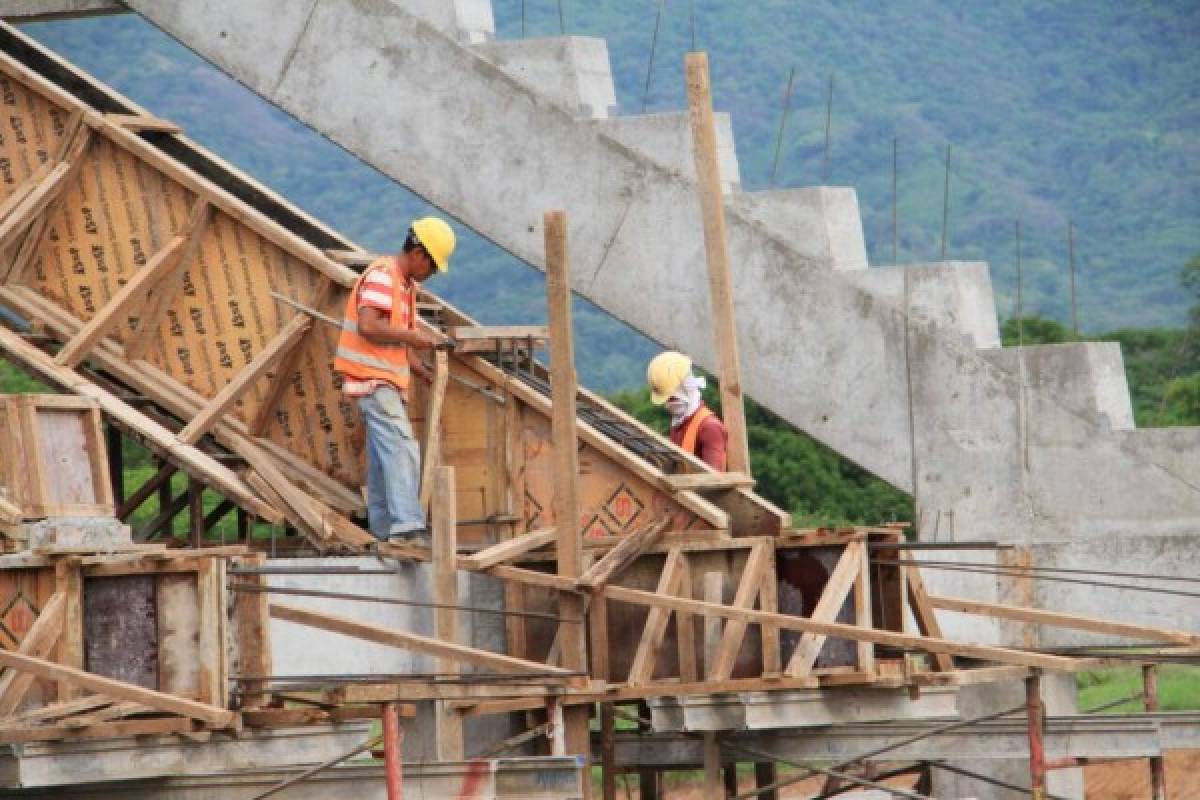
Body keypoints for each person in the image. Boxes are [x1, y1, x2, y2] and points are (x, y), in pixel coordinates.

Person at [335, 217, 456, 544]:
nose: (430, 275)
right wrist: (414, 337)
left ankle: (385, 530)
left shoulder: (404, 287)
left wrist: (421, 370)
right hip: (372, 381)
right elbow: (369, 326)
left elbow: (398, 343)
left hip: (382, 382)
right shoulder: (382, 277)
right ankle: (408, 526)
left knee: (381, 461)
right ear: (419, 253)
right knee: (402, 448)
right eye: (432, 267)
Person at [647, 351, 728, 471]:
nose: (669, 403)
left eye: (673, 398)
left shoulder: (710, 428)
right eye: (667, 399)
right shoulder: (679, 423)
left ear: (686, 388)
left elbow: (714, 482)